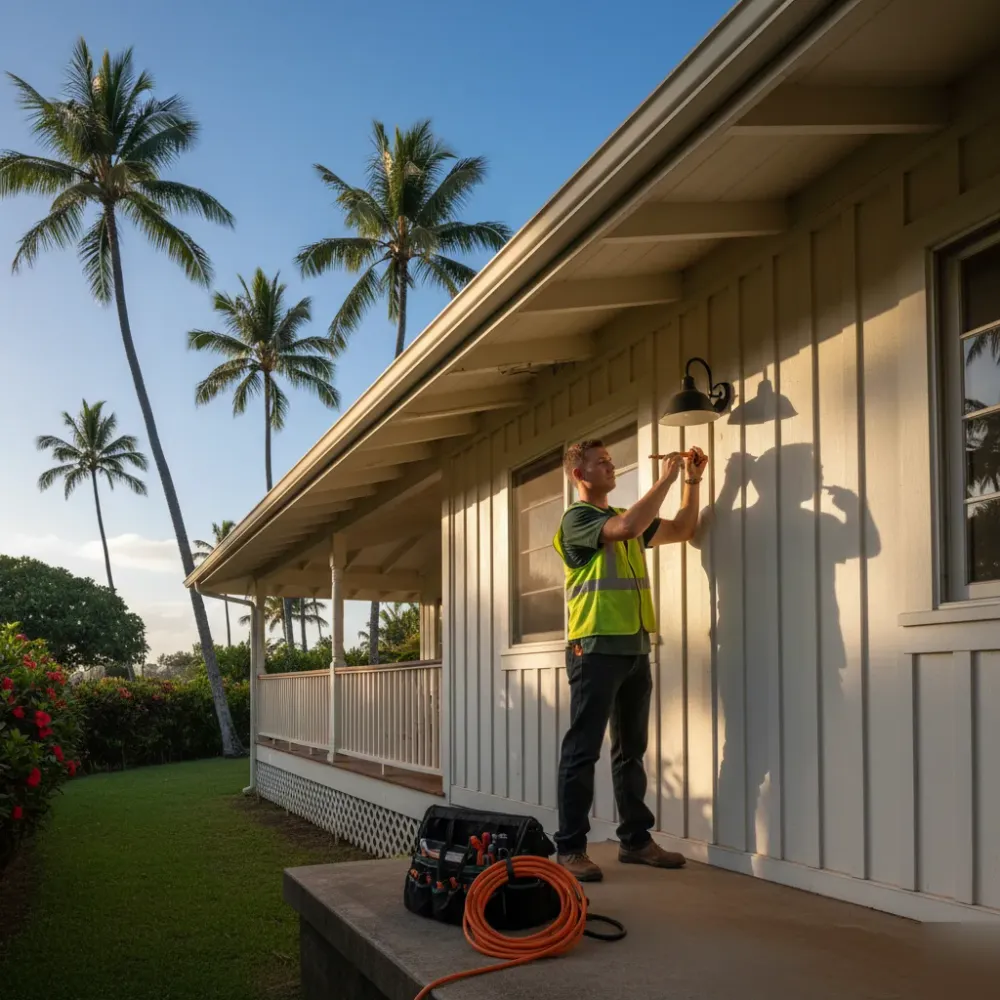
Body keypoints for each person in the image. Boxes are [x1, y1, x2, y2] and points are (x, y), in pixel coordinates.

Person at [552, 440, 707, 882]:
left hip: (635, 647)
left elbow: (683, 528)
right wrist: (667, 477)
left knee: (631, 752)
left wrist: (692, 480)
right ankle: (571, 848)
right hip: (595, 646)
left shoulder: (622, 518)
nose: (610, 465)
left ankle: (636, 841)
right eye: (601, 462)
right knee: (582, 751)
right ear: (579, 475)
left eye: (610, 460)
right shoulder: (578, 519)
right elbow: (625, 528)